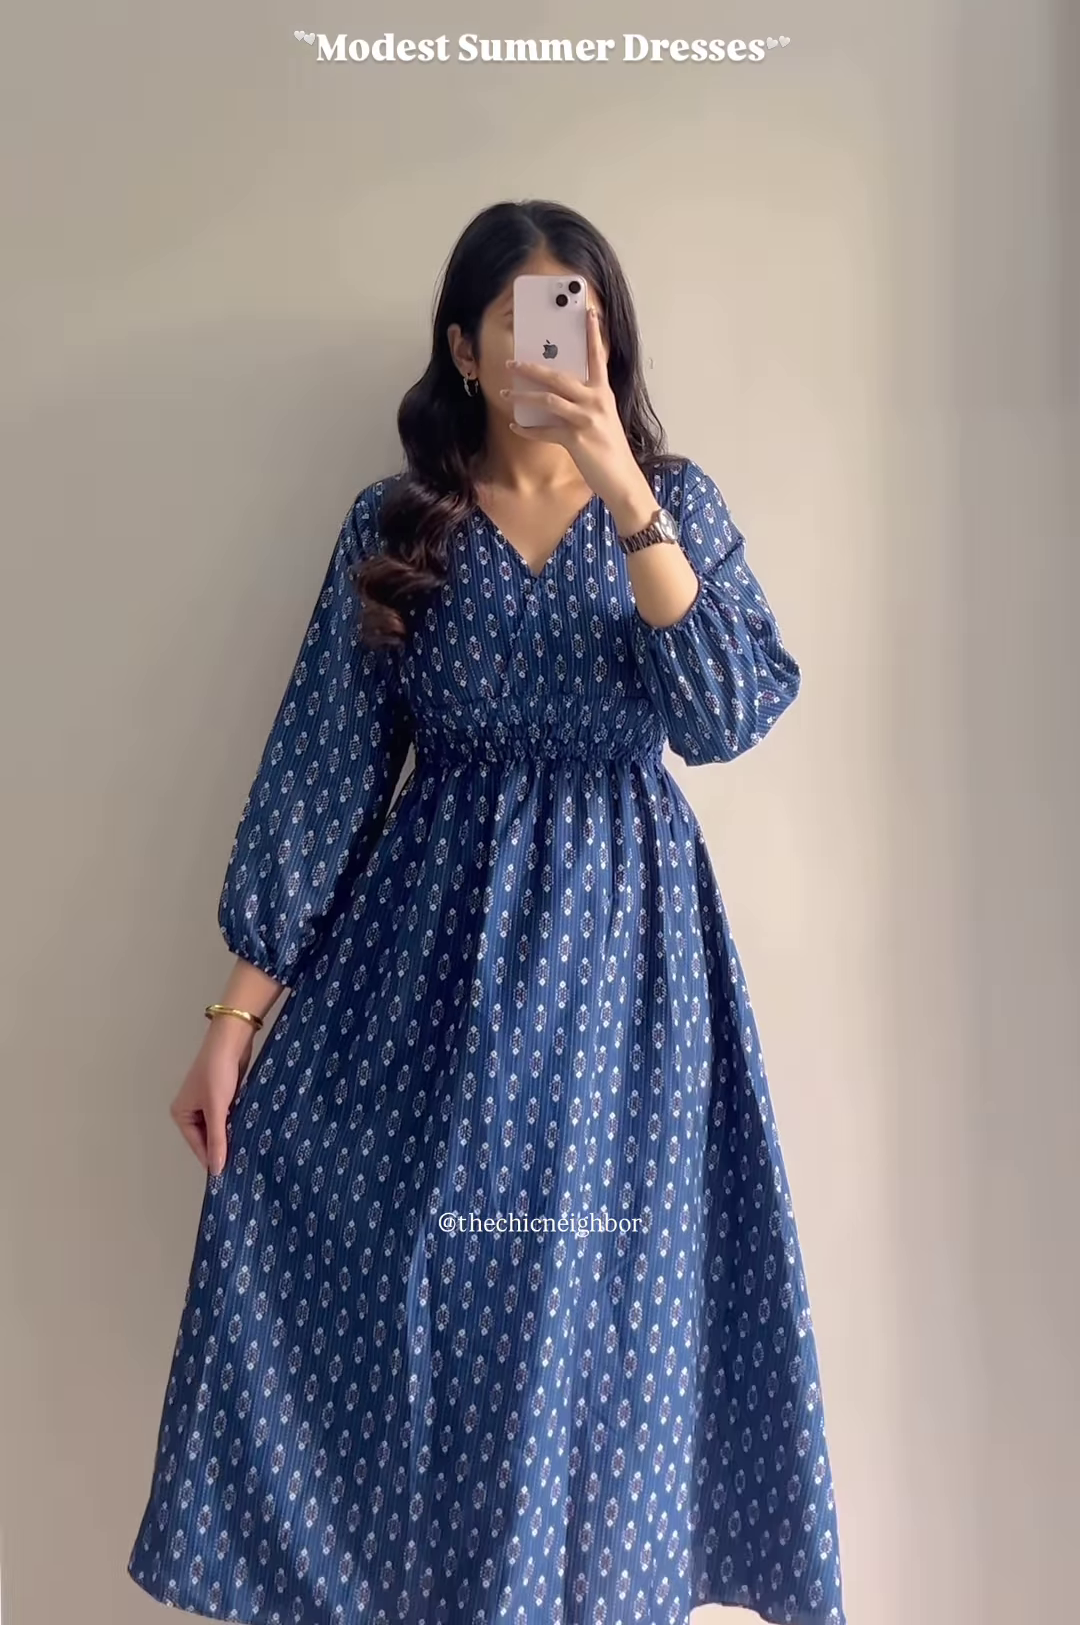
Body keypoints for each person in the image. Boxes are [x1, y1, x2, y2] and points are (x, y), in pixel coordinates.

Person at [126, 199, 845, 1625]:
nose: (552, 347)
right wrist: (233, 1019)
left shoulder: (673, 506)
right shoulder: (400, 526)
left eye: (579, 317)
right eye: (521, 321)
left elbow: (723, 715)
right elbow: (324, 771)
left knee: (597, 1333)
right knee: (443, 1314)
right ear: (463, 348)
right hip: (425, 983)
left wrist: (623, 485)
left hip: (624, 980)